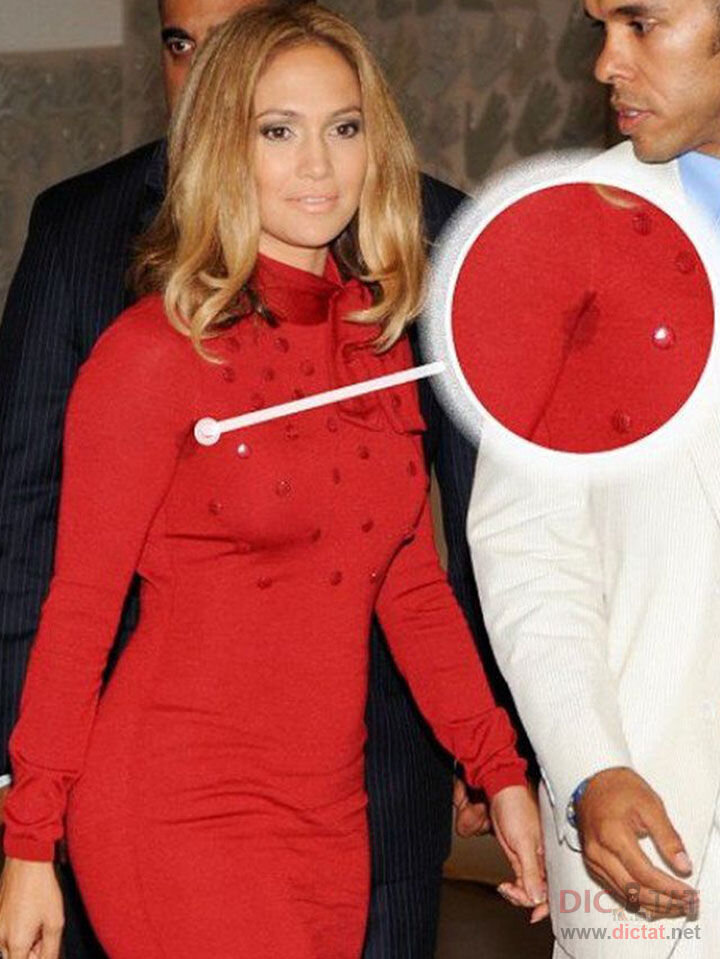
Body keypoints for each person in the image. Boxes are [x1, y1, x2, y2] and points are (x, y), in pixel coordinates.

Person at [0, 5, 546, 959]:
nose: (318, 165)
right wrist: (27, 839)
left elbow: (412, 588)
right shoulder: (152, 355)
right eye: (278, 131)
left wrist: (497, 766)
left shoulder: (375, 347)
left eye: (344, 127)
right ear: (223, 145)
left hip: (331, 817)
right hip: (173, 807)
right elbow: (79, 607)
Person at [466, 0, 720, 954]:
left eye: (642, 23)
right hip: (655, 821)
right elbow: (526, 542)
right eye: (599, 27)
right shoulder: (556, 235)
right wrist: (587, 767)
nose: (606, 63)